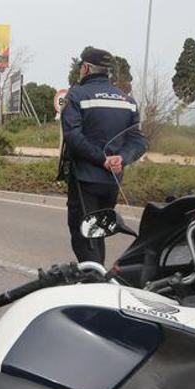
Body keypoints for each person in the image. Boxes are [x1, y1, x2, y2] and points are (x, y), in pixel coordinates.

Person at [61, 47, 147, 264]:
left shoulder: (77, 95)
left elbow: (73, 137)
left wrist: (102, 159)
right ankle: (98, 273)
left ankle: (95, 283)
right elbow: (138, 140)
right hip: (112, 182)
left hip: (85, 179)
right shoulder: (127, 100)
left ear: (87, 68)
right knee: (98, 232)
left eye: (82, 67)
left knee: (85, 235)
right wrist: (122, 158)